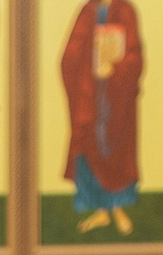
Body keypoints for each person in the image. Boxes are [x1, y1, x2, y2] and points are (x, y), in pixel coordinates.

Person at [59, 0, 144, 236]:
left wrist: (115, 69)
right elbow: (69, 57)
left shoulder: (125, 11)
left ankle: (117, 207)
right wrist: (86, 69)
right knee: (89, 145)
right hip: (89, 96)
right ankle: (99, 210)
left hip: (117, 99)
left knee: (117, 149)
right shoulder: (87, 11)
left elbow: (135, 57)